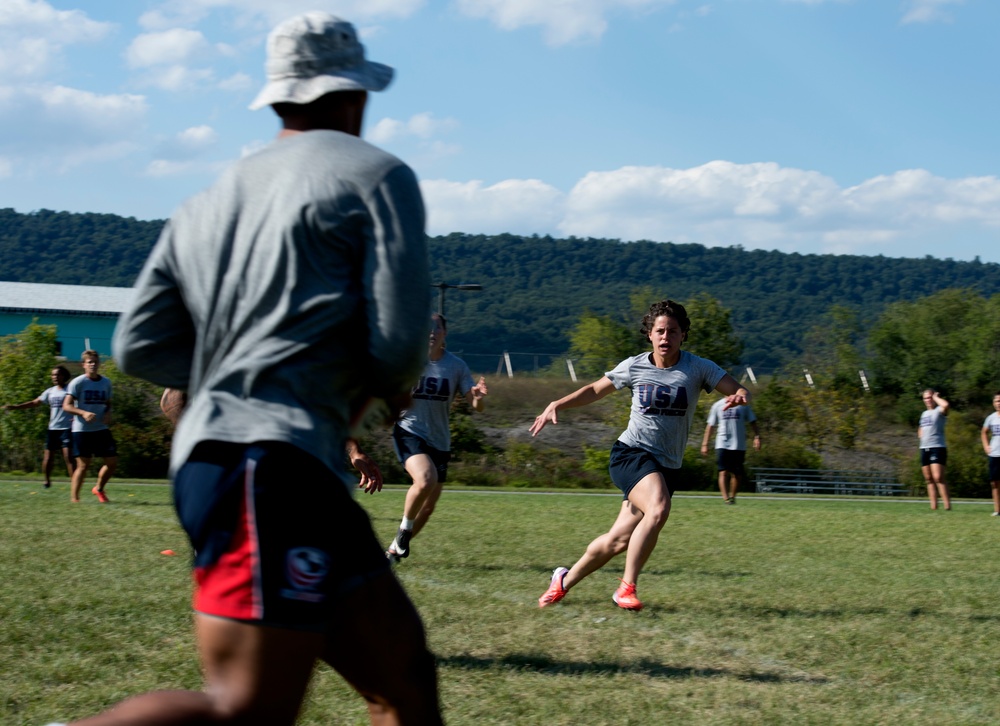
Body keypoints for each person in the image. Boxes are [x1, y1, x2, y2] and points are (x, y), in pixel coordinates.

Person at [49, 13, 441, 726]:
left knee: (406, 682)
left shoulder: (209, 198)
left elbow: (138, 345)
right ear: (355, 95)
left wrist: (233, 368)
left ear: (280, 97)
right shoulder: (380, 175)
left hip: (243, 464)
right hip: (265, 469)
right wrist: (361, 384)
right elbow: (398, 343)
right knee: (247, 710)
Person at [532, 299, 750, 611]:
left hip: (666, 466)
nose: (666, 337)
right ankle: (626, 587)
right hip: (631, 455)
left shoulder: (698, 367)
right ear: (649, 334)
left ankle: (562, 581)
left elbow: (740, 390)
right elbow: (595, 390)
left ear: (683, 335)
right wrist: (558, 403)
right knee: (658, 509)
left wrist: (740, 397)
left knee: (618, 540)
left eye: (672, 331)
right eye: (660, 331)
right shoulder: (635, 365)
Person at [386, 313, 488, 562]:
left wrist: (477, 397)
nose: (431, 332)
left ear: (445, 333)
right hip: (409, 431)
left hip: (439, 440)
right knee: (425, 479)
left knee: (429, 508)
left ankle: (392, 553)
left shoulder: (456, 366)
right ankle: (404, 529)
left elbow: (475, 406)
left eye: (436, 328)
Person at [2, 366, 75, 488]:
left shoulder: (71, 390)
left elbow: (79, 404)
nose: (55, 377)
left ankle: (74, 483)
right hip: (52, 429)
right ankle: (47, 481)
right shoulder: (50, 391)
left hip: (67, 428)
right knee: (48, 458)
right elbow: (35, 403)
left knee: (68, 456)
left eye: (57, 375)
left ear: (64, 376)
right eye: (53, 375)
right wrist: (16, 407)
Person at [62, 351, 116, 503]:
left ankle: (98, 488)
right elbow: (66, 405)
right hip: (82, 430)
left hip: (101, 429)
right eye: (89, 362)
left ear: (99, 364)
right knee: (83, 466)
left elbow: (108, 402)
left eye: (95, 362)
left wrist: (107, 413)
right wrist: (83, 413)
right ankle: (75, 499)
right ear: (83, 365)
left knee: (112, 463)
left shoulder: (106, 382)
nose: (92, 364)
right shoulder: (77, 383)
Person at [701, 394, 760, 504]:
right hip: (722, 443)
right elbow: (710, 426)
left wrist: (757, 437)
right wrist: (705, 444)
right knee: (723, 471)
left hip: (739, 443)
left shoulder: (743, 405)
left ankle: (732, 497)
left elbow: (753, 422)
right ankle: (726, 498)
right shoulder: (717, 405)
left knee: (737, 473)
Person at [919, 389, 952, 511]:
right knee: (929, 479)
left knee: (938, 477)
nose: (928, 400)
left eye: (929, 397)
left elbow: (946, 405)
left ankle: (947, 506)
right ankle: (934, 507)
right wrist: (921, 435)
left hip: (937, 447)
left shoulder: (939, 411)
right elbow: (921, 428)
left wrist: (936, 397)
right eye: (925, 398)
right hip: (924, 447)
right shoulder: (923, 414)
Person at [980, 391, 1000, 517]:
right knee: (994, 483)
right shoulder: (991, 418)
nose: (999, 403)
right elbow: (984, 432)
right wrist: (986, 446)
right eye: (997, 401)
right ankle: (998, 510)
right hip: (995, 454)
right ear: (993, 403)